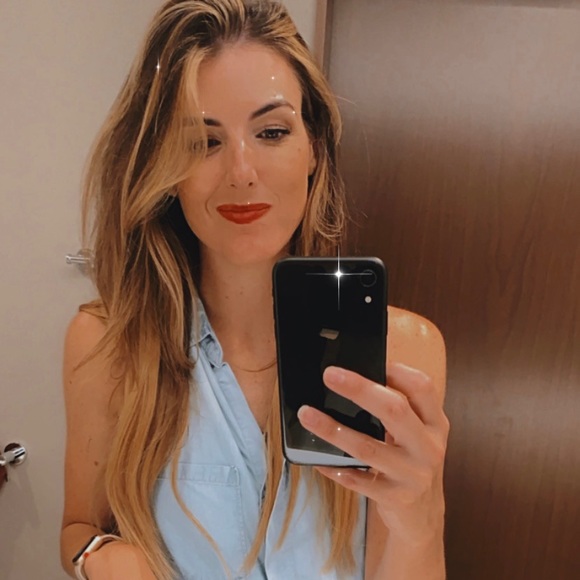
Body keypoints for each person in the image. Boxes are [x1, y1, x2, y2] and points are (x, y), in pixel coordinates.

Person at [60, 1, 449, 578]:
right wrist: (102, 558)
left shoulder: (405, 352)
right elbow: (79, 527)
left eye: (271, 132)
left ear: (313, 147)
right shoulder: (106, 344)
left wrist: (421, 519)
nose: (241, 172)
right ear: (164, 169)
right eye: (203, 142)